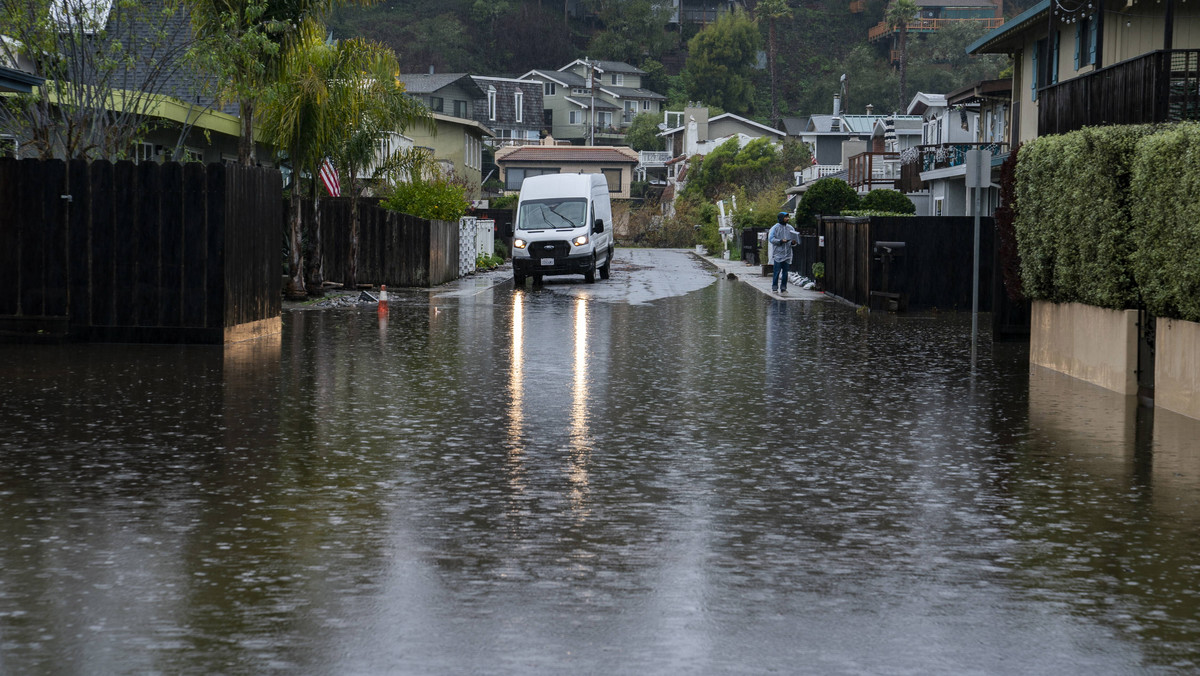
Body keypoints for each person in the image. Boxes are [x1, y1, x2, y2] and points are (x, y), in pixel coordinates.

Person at [768, 211, 798, 295]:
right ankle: (774, 288)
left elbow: (794, 239)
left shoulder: (790, 228)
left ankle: (783, 288)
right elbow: (771, 239)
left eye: (788, 217)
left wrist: (793, 243)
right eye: (785, 217)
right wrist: (780, 241)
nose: (787, 219)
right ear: (781, 218)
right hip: (778, 253)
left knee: (785, 272)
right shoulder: (775, 228)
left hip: (787, 254)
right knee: (776, 272)